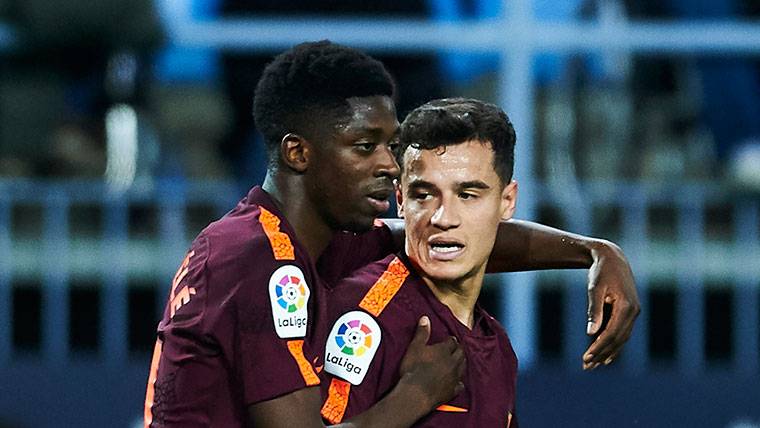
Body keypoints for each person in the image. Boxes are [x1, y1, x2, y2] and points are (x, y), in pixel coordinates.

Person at [144, 41, 639, 427]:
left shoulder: (310, 241)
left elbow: (451, 234)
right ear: (298, 153)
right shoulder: (255, 259)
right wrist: (415, 396)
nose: (388, 165)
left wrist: (595, 252)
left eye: (391, 145)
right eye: (365, 147)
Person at [319, 98, 522, 426]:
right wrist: (410, 401)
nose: (443, 218)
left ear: (507, 201)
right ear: (400, 200)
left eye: (467, 195)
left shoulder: (498, 346)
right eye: (424, 195)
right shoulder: (366, 316)